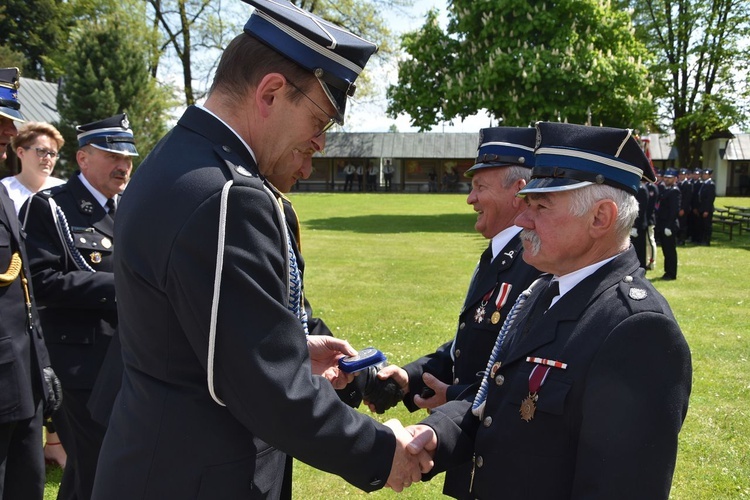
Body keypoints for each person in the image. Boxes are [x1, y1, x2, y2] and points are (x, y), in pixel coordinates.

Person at [91, 1, 428, 498]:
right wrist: (382, 452)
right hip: (199, 477)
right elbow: (268, 391)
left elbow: (198, 338)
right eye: (319, 121)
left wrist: (288, 343)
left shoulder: (182, 160)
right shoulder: (227, 195)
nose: (319, 143)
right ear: (271, 92)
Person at [405, 121, 692, 499]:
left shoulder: (638, 330)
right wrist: (436, 435)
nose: (522, 219)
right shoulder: (544, 290)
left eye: (540, 205)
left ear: (600, 218)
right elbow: (497, 404)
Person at [365, 127, 541, 497]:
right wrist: (410, 378)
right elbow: (474, 340)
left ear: (519, 190)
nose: (470, 199)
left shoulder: (534, 264)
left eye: (480, 187)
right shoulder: (499, 253)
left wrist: (456, 394)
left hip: (500, 456)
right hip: (470, 443)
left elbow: (519, 367)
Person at [20, 113, 137, 500]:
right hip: (79, 363)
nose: (123, 166)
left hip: (130, 357)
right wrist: (126, 288)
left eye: (128, 158)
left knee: (93, 470)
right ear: (83, 158)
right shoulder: (51, 207)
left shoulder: (132, 207)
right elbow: (43, 282)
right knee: (99, 463)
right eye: (112, 156)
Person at [0, 66, 62, 500]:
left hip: (20, 372)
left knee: (26, 483)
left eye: (5, 130)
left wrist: (39, 366)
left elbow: (21, 289)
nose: (4, 139)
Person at [2, 122, 66, 213]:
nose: (48, 158)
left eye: (53, 154)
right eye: (41, 151)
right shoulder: (5, 190)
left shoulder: (64, 190)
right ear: (21, 152)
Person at [656, 168, 681, 280]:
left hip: (669, 225)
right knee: (666, 250)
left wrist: (668, 226)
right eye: (666, 177)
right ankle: (667, 271)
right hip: (663, 224)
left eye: (669, 178)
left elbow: (674, 210)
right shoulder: (665, 189)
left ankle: (671, 273)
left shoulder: (674, 191)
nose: (666, 179)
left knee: (670, 251)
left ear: (675, 179)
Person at [631, 179, 650, 269]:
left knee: (640, 249)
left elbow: (641, 209)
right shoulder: (636, 187)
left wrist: (635, 226)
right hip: (634, 224)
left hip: (639, 225)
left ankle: (642, 268)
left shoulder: (641, 189)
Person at [697, 168, 716, 246]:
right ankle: (702, 239)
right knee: (702, 225)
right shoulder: (704, 183)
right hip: (701, 207)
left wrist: (707, 210)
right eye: (703, 174)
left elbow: (710, 199)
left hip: (706, 209)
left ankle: (707, 240)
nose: (704, 176)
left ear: (710, 175)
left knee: (707, 225)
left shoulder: (710, 184)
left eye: (706, 174)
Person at [676, 168, 692, 245]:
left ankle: (682, 239)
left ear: (686, 175)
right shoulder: (678, 184)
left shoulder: (688, 184)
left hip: (684, 209)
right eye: (680, 174)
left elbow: (687, 198)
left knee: (683, 225)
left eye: (683, 174)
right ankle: (678, 238)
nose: (681, 176)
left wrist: (683, 209)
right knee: (678, 224)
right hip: (678, 208)